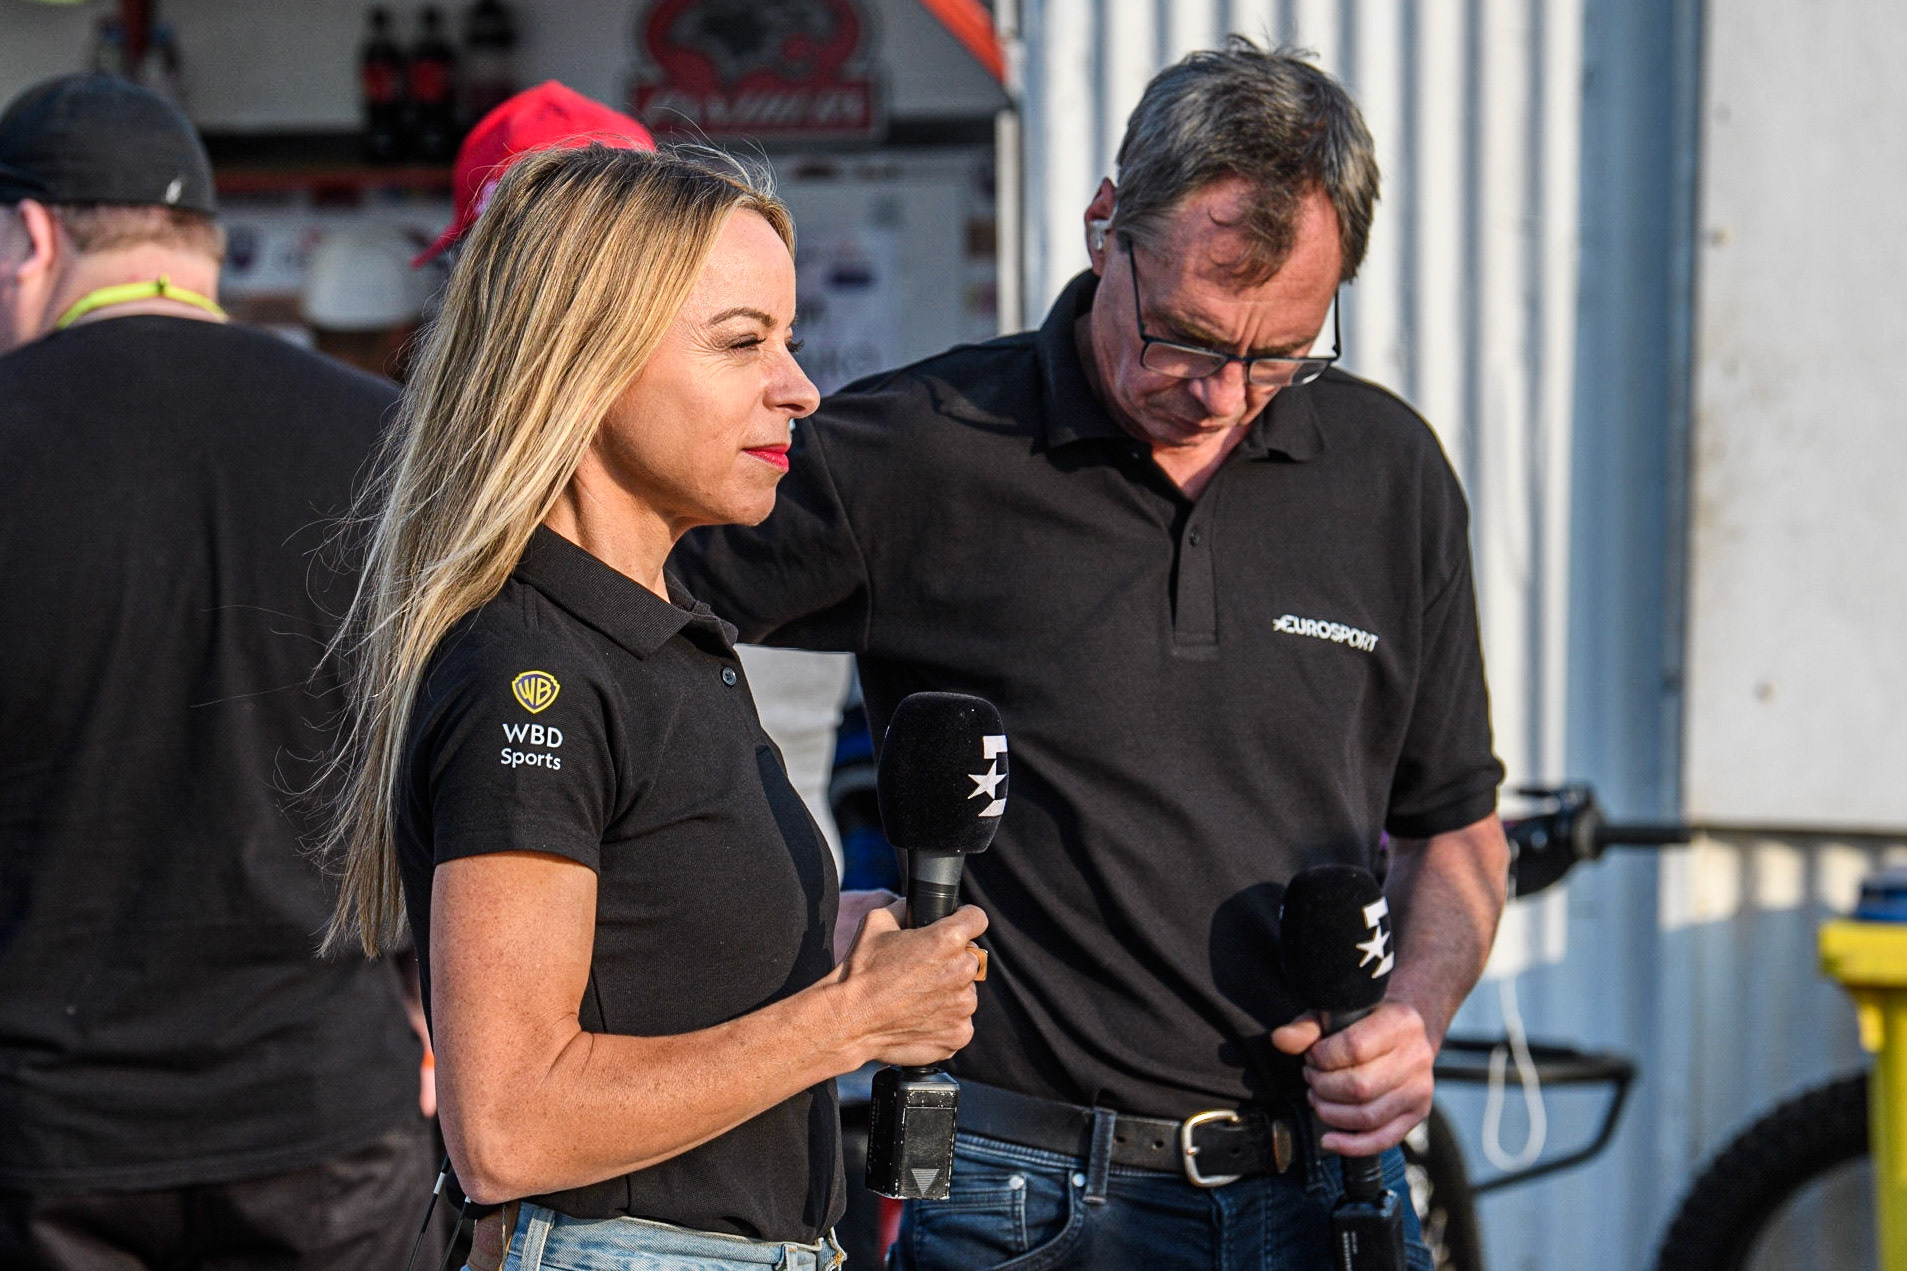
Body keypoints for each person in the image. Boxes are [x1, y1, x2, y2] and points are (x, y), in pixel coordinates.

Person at [671, 39, 1510, 1270]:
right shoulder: (922, 448)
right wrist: (775, 897)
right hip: (1028, 1198)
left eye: (1279, 354)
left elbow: (1454, 830)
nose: (1222, 393)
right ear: (1102, 225)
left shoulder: (1391, 475)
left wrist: (1413, 1017)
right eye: (1185, 335)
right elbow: (608, 596)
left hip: (1328, 1199)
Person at [320, 142, 988, 1271]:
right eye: (742, 344)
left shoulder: (655, 638)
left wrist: (804, 947)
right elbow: (506, 1124)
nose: (800, 387)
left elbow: (627, 964)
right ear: (584, 363)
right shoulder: (529, 667)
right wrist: (849, 1021)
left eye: (790, 338)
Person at [0, 74, 437, 1268]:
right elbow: (461, 761)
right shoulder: (382, 443)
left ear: (32, 234)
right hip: (329, 1118)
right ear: (204, 247)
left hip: (47, 1135)